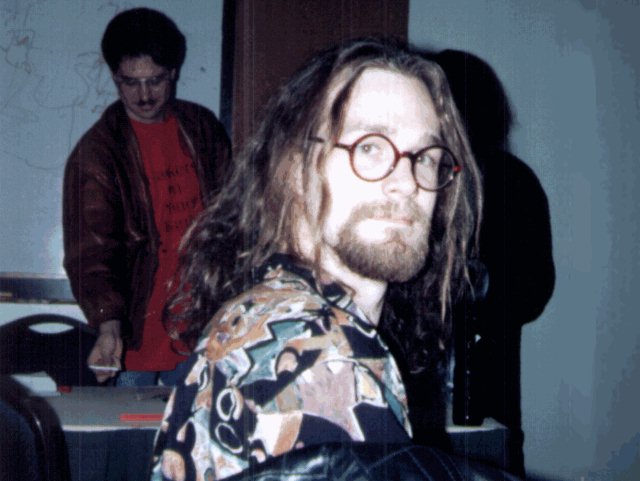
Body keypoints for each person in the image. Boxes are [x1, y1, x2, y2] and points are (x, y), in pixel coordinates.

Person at [150, 38, 485, 480]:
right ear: (293, 171)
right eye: (369, 146)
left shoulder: (265, 314)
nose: (407, 182)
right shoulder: (322, 358)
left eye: (425, 156)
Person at [62, 8, 230, 386]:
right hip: (133, 338)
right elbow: (91, 254)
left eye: (154, 81)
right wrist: (108, 327)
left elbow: (231, 221)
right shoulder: (97, 154)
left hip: (201, 328)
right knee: (131, 424)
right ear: (114, 77)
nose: (143, 95)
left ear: (173, 72)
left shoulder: (203, 129)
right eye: (130, 82)